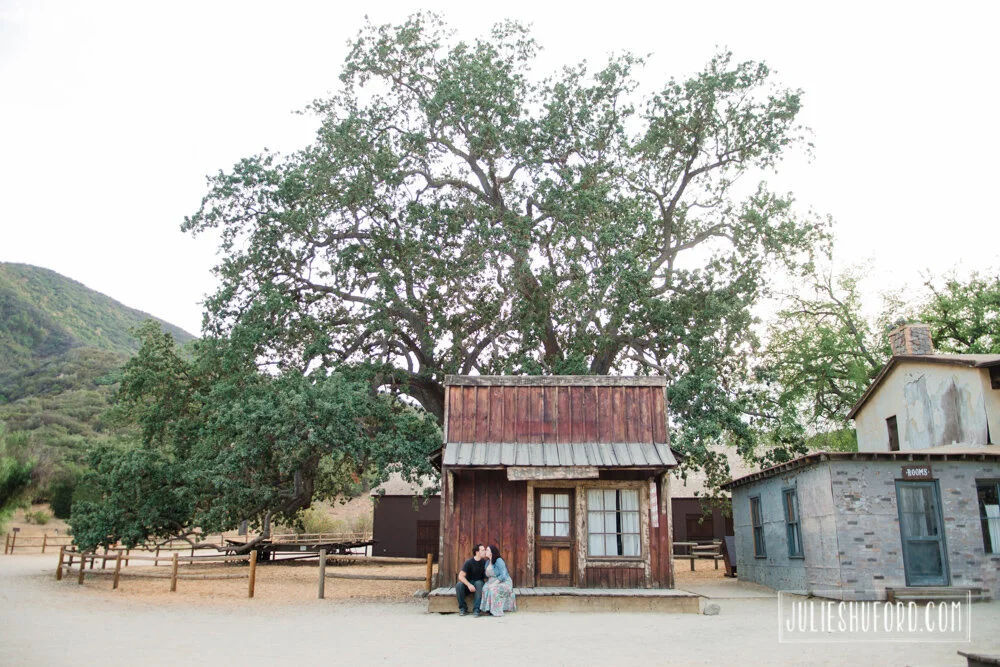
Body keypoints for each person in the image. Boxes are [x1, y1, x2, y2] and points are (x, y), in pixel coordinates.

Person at [479, 544, 516, 617]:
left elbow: (503, 574)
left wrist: (494, 583)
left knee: (493, 589)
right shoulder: (487, 562)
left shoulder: (498, 560)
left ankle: (496, 611)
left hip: (504, 582)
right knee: (485, 588)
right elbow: (487, 575)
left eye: (487, 550)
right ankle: (487, 609)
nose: (486, 551)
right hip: (491, 581)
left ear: (492, 552)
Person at [456, 543, 487, 616]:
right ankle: (463, 608)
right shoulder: (469, 562)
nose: (485, 551)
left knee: (479, 583)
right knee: (459, 585)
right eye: (483, 550)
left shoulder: (485, 563)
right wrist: (469, 585)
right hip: (468, 585)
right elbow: (460, 576)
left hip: (479, 586)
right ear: (477, 552)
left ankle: (477, 609)